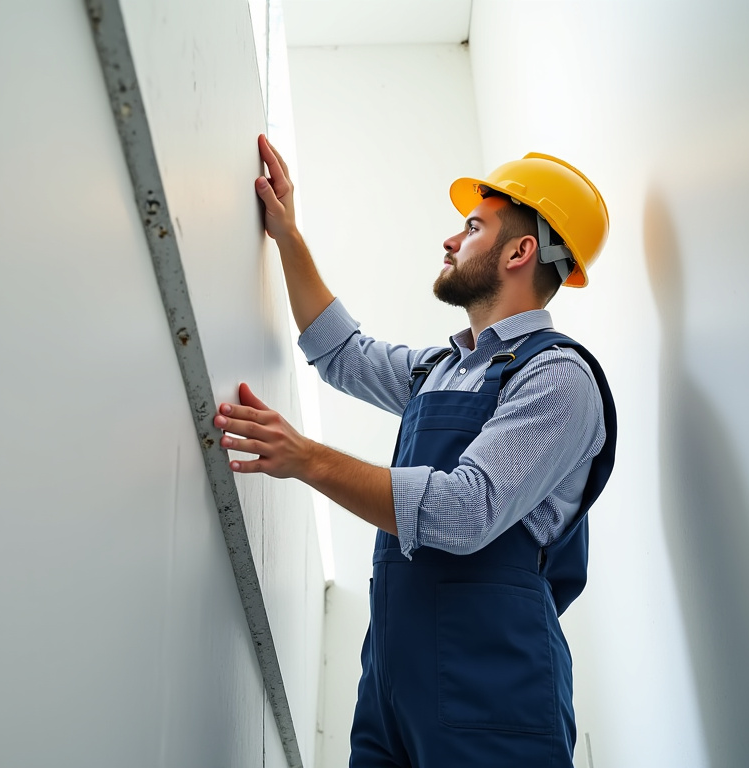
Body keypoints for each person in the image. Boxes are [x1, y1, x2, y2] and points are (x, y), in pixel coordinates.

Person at [213, 135, 618, 767]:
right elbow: (343, 353)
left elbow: (465, 511)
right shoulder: (441, 368)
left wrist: (307, 458)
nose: (452, 240)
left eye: (473, 226)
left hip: (493, 685)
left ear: (521, 251)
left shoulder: (557, 377)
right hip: (393, 679)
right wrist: (287, 235)